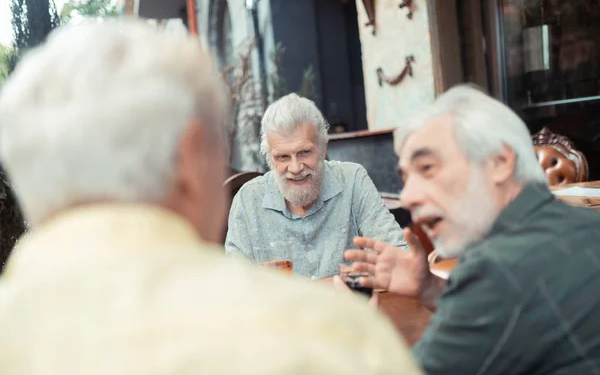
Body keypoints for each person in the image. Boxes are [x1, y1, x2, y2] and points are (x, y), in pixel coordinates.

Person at [0, 20, 421, 374]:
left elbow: (394, 255)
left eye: (305, 152)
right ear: (189, 157)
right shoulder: (338, 341)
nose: (295, 166)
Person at [343, 85, 600, 374]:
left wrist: (357, 326)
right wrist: (430, 289)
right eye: (405, 177)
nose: (407, 196)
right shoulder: (587, 226)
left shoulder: (497, 268)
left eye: (427, 168)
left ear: (499, 162)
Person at [225, 93, 406, 280]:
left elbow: (397, 258)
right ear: (270, 159)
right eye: (283, 157)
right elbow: (235, 287)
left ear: (323, 149)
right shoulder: (248, 199)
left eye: (304, 153)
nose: (295, 168)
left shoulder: (352, 181)